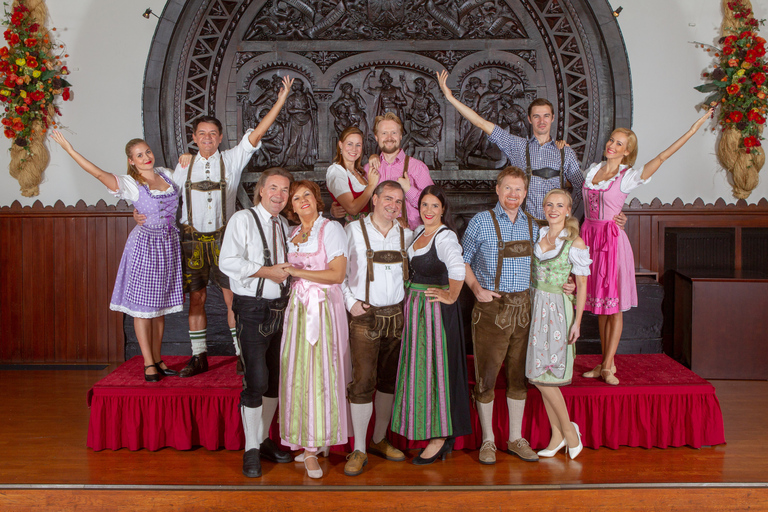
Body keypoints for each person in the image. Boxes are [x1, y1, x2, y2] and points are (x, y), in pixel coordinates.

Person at [160, 75, 293, 378]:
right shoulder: (182, 167)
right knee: (197, 298)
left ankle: (240, 354)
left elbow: (257, 135)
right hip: (192, 240)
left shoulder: (232, 160)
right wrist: (138, 215)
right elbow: (160, 196)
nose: (207, 138)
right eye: (202, 133)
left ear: (220, 138)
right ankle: (198, 356)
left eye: (213, 134)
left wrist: (280, 101)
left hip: (224, 239)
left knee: (232, 297)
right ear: (194, 137)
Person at [580, 108, 713, 386]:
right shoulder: (593, 169)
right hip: (588, 238)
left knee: (613, 307)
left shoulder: (628, 176)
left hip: (611, 241)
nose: (612, 145)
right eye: (612, 140)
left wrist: (693, 128)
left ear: (627, 152)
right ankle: (606, 362)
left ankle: (607, 366)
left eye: (619, 143)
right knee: (601, 307)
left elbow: (663, 157)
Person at [51, 131, 183, 382]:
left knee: (159, 308)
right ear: (131, 161)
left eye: (147, 152)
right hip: (145, 246)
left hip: (168, 246)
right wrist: (70, 150)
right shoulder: (131, 184)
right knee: (143, 308)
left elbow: (194, 172)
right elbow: (99, 174)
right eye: (139, 155)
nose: (146, 157)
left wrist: (187, 155)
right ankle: (148, 363)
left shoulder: (167, 174)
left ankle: (158, 358)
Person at [219, 167, 295, 478]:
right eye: (274, 188)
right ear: (261, 190)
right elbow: (227, 262)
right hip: (252, 310)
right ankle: (250, 447)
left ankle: (263, 440)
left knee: (274, 381)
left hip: (281, 310)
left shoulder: (284, 225)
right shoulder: (242, 219)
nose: (279, 194)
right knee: (256, 381)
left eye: (285, 190)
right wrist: (268, 272)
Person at [462, 166, 539, 465]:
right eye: (508, 188)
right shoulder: (481, 222)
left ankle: (516, 438)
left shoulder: (532, 225)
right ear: (497, 189)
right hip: (492, 309)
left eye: (519, 190)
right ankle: (488, 441)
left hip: (524, 309)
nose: (513, 195)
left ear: (525, 193)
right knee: (487, 378)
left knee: (518, 377)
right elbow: (462, 260)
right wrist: (476, 289)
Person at [436, 70, 585, 223]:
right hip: (525, 226)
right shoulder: (517, 145)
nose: (542, 120)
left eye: (546, 116)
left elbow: (582, 188)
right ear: (529, 119)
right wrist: (450, 97)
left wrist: (568, 214)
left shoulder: (565, 152)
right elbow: (480, 123)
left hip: (556, 228)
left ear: (552, 118)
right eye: (536, 116)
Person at [391, 185, 472, 465]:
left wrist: (450, 295)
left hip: (435, 313)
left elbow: (458, 268)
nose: (428, 210)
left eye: (434, 206)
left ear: (443, 209)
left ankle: (440, 437)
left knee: (437, 370)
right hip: (416, 312)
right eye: (424, 205)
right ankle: (428, 431)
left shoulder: (445, 236)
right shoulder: (417, 234)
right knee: (420, 370)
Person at [279, 180, 351, 479]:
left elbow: (337, 274)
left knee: (320, 374)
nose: (302, 200)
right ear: (291, 207)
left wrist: (297, 271)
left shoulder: (330, 228)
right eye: (296, 198)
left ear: (316, 199)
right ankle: (304, 439)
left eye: (307, 194)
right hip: (298, 309)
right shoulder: (293, 232)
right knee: (298, 373)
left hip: (322, 308)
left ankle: (313, 448)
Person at [342, 181, 414, 476]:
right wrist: (350, 303)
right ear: (374, 200)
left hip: (397, 317)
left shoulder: (407, 235)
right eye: (388, 199)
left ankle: (378, 439)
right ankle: (358, 448)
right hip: (365, 317)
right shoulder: (352, 231)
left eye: (399, 201)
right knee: (362, 383)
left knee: (389, 382)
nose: (393, 206)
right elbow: (339, 272)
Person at [525, 189, 591, 460]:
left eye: (559, 205)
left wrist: (578, 321)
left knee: (546, 375)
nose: (553, 209)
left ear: (568, 210)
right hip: (534, 305)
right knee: (538, 376)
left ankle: (569, 431)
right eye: (549, 205)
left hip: (557, 311)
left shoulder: (574, 243)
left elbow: (583, 285)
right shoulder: (539, 236)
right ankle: (558, 435)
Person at [363, 112, 434, 230]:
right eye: (384, 133)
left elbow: (432, 206)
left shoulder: (417, 167)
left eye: (394, 133)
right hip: (376, 239)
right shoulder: (368, 169)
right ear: (376, 137)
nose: (389, 138)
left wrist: (409, 190)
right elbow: (359, 204)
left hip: (411, 238)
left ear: (401, 135)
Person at [326, 126, 380, 223]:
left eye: (358, 145)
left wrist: (374, 156)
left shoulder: (360, 172)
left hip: (369, 228)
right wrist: (371, 186)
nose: (354, 149)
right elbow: (352, 209)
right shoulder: (336, 171)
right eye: (349, 144)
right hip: (353, 230)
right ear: (340, 145)